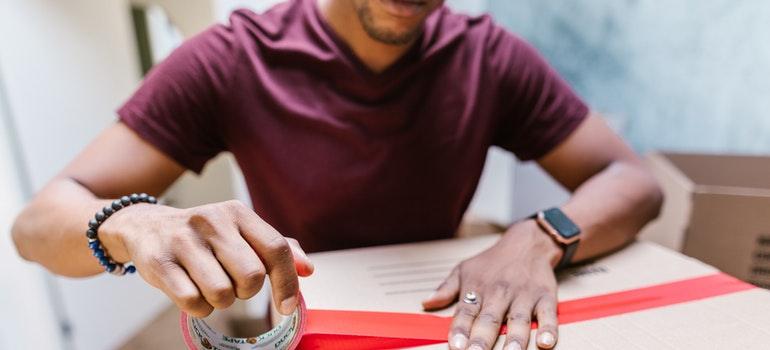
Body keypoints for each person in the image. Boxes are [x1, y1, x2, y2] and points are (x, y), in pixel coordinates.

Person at [11, 0, 663, 349]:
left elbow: (634, 181)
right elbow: (37, 226)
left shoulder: (487, 56)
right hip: (307, 332)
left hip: (439, 323)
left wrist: (539, 235)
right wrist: (134, 222)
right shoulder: (235, 57)